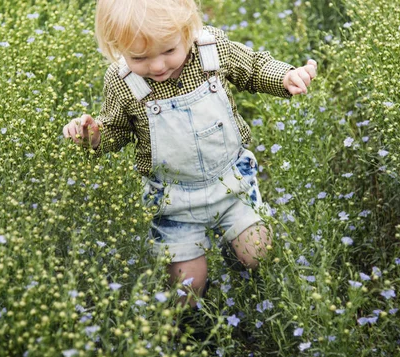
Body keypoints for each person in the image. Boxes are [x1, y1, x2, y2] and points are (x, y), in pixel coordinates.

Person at [63, 0, 317, 305]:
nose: (157, 66)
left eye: (169, 51)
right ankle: (195, 327)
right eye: (139, 57)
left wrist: (286, 77)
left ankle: (242, 275)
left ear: (188, 30)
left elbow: (253, 68)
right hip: (174, 198)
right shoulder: (122, 83)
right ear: (117, 48)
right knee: (188, 288)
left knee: (257, 254)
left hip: (231, 180)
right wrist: (93, 136)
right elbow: (116, 130)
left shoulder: (212, 49)